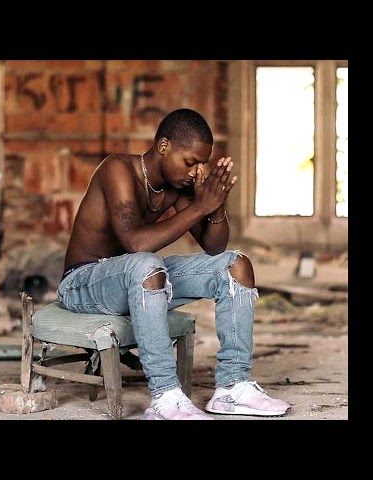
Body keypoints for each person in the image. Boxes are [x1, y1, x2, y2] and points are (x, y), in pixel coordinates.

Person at [57, 108, 291, 420]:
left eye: (202, 164)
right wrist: (200, 207)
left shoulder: (176, 187)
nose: (197, 171)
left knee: (235, 265)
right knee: (146, 263)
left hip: (136, 278)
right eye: (190, 161)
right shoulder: (117, 169)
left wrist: (215, 206)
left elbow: (214, 246)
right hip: (82, 284)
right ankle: (165, 397)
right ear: (164, 146)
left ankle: (232, 388)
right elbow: (136, 243)